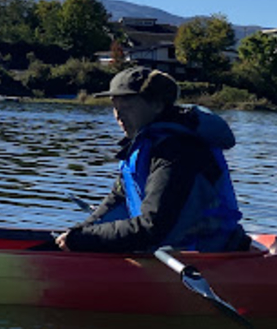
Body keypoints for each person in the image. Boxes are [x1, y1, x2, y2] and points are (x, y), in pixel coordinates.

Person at [55, 66, 249, 253]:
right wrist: (76, 234)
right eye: (115, 107)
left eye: (127, 106)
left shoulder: (177, 151)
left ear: (157, 105)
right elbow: (116, 203)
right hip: (168, 248)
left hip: (208, 254)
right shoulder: (143, 147)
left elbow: (152, 226)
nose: (119, 116)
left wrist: (85, 239)